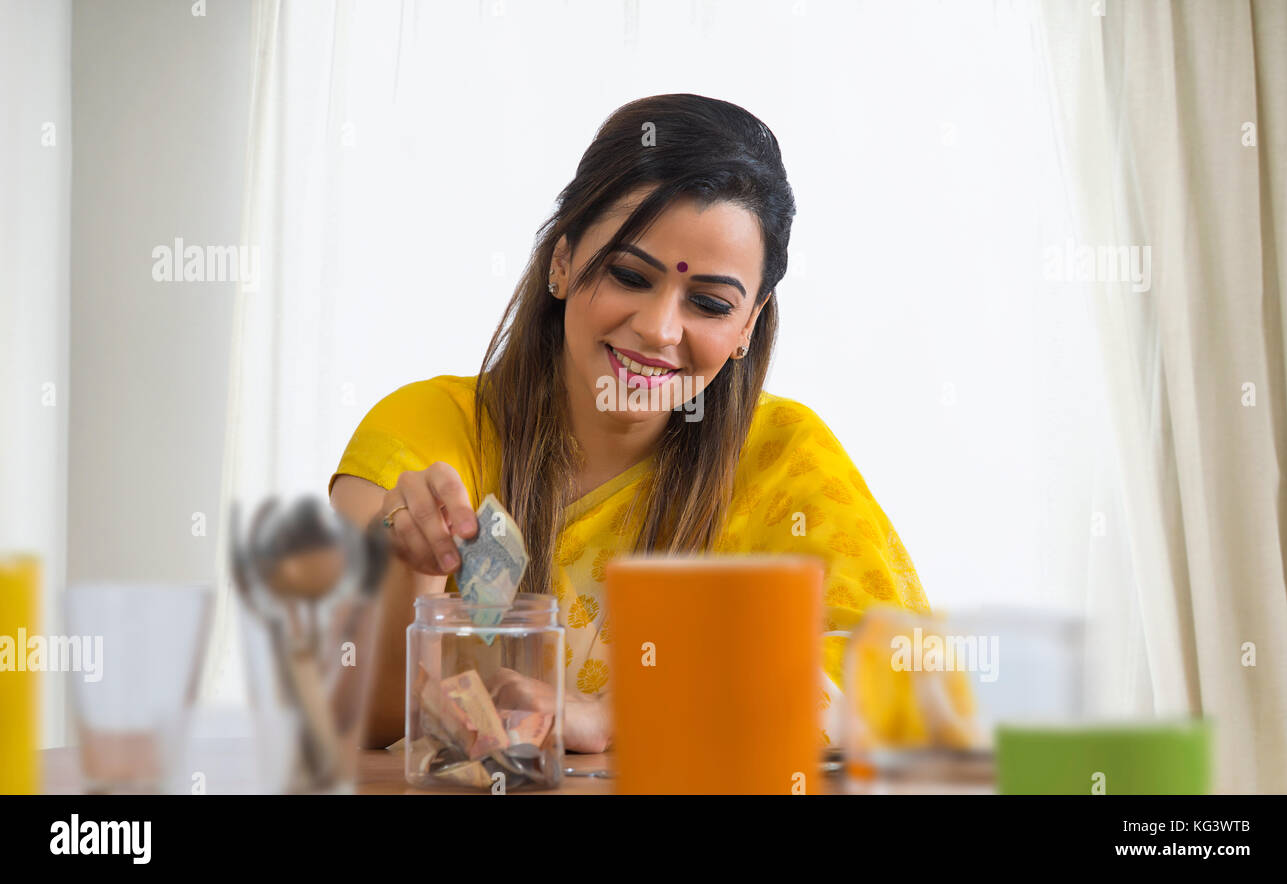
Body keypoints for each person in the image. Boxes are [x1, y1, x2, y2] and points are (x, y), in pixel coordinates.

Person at [328, 93, 931, 753]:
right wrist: (409, 566)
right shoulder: (431, 432)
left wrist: (623, 715)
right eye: (628, 275)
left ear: (747, 327)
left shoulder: (785, 456)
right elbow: (353, 718)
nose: (658, 329)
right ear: (561, 262)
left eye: (707, 302)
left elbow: (908, 690)